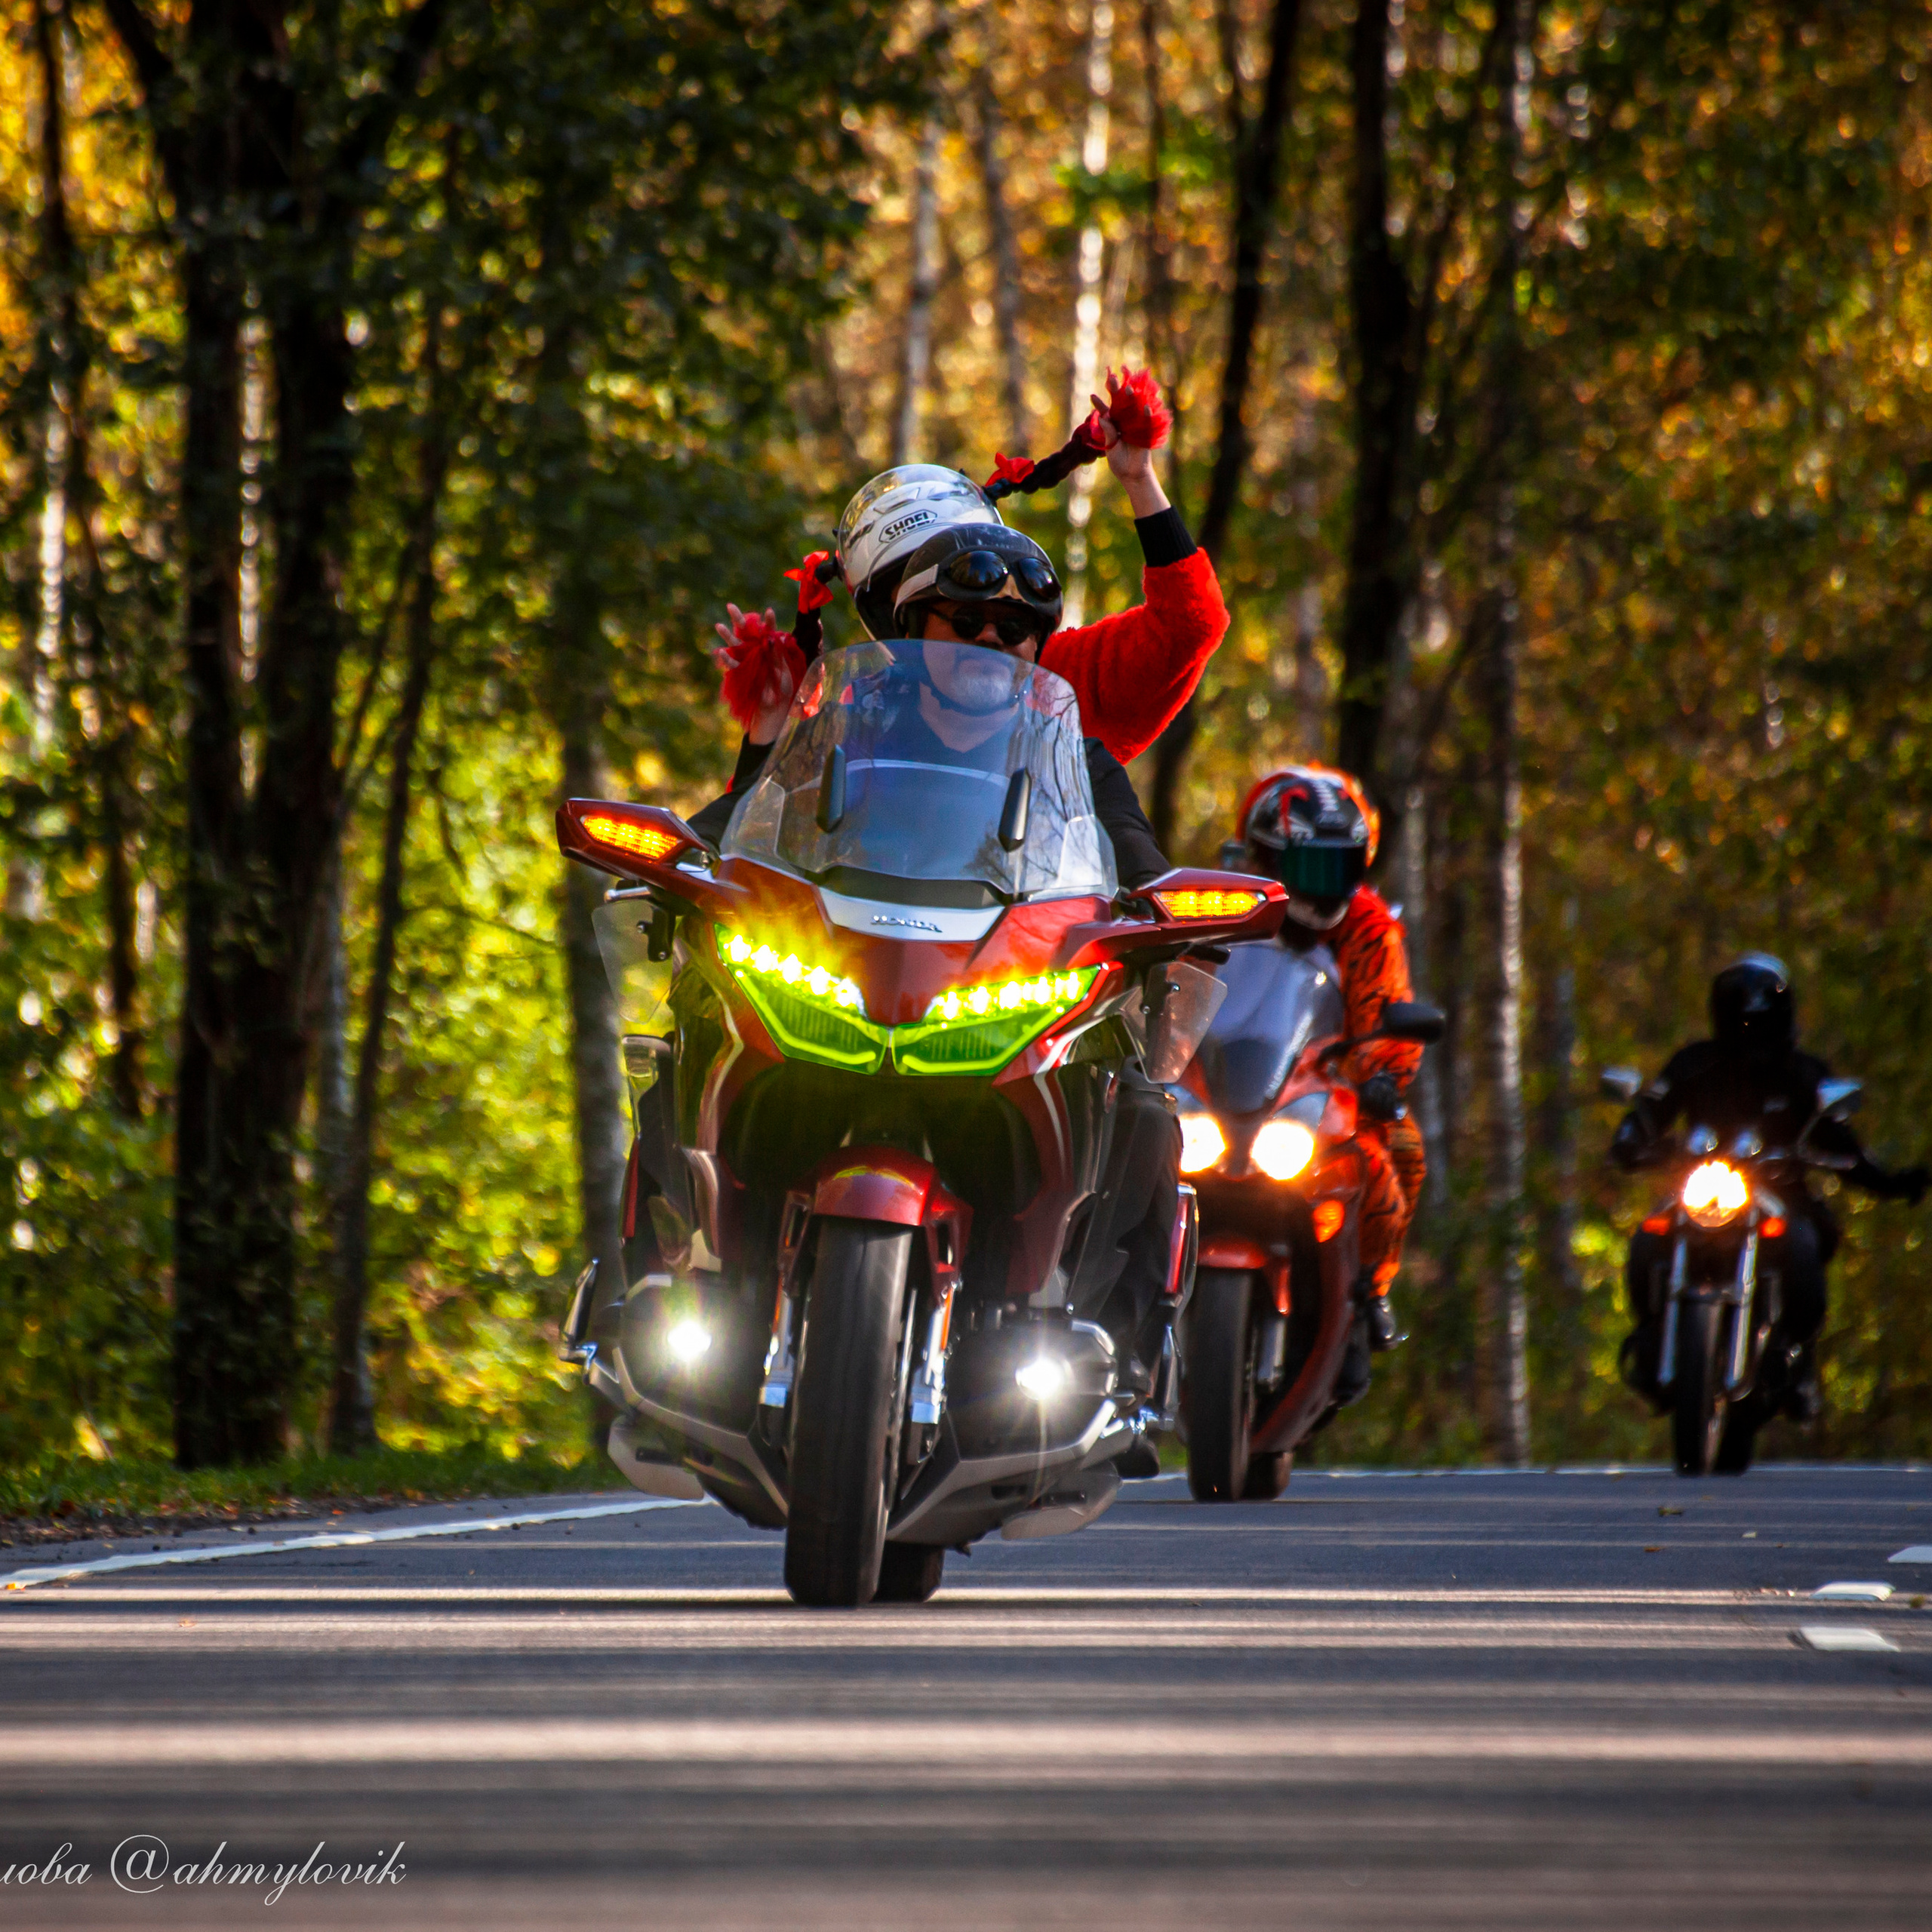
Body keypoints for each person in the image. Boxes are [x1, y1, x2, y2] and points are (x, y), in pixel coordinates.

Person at [1610, 952, 1927, 1421]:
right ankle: (1651, 1339)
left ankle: (1796, 1359)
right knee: (1648, 1236)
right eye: (1740, 1019)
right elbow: (1653, 1110)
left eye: (1758, 1020)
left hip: (1783, 1193)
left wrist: (1889, 1181)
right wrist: (1631, 1139)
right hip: (1702, 1189)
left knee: (1805, 1239)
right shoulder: (1694, 1064)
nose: (1749, 1031)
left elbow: (1841, 1141)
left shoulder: (1803, 1073)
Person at [1236, 766, 1425, 1390]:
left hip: (1324, 1085)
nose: (1327, 889)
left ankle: (1368, 1290)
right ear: (1266, 858)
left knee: (1398, 1149)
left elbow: (1388, 1009)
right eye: (1311, 869)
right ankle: (1116, 1299)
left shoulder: (1370, 927)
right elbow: (1177, 976)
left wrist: (1380, 1076)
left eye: (1342, 868)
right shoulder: (1223, 901)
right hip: (1225, 1079)